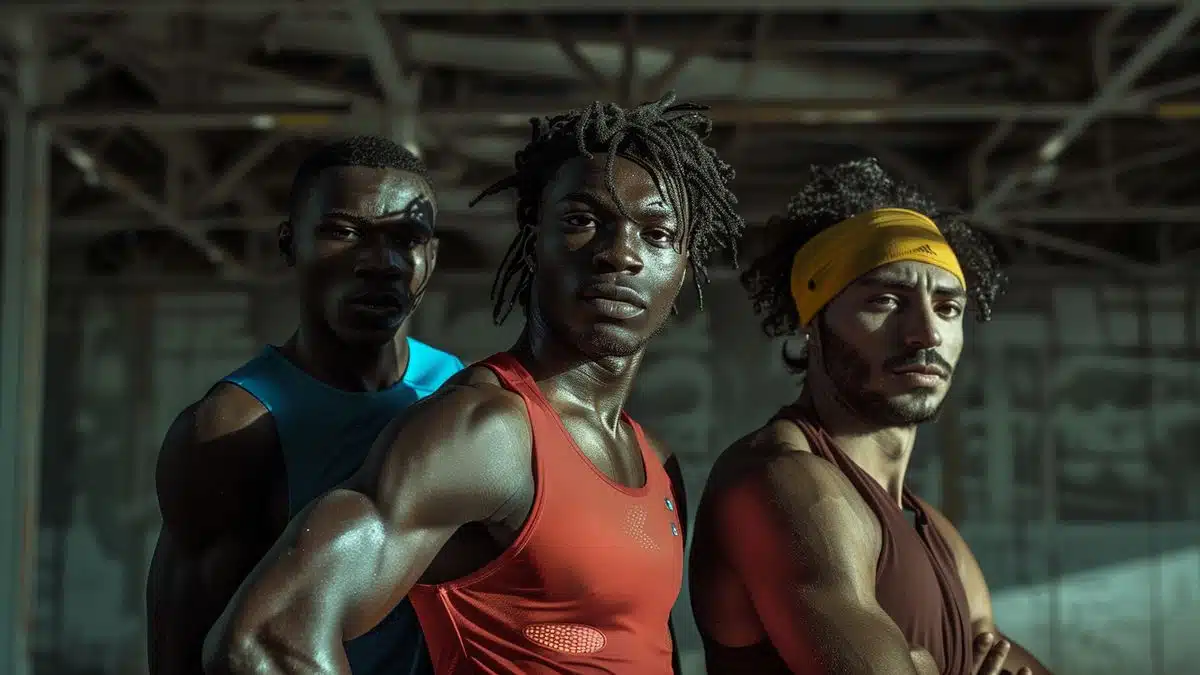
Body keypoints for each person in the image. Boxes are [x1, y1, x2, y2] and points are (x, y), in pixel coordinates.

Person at [199, 92, 744, 675]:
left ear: (685, 265)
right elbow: (266, 639)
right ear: (535, 242)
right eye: (583, 221)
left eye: (658, 233)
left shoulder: (657, 460)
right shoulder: (482, 432)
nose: (619, 254)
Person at [688, 158, 1055, 675]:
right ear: (812, 322)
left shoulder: (937, 533)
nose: (925, 333)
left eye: (948, 308)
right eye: (886, 300)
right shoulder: (785, 482)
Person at [147, 136, 464, 675]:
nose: (380, 262)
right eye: (344, 232)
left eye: (406, 237)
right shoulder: (230, 431)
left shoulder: (460, 391)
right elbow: (186, 652)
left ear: (430, 257)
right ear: (290, 244)